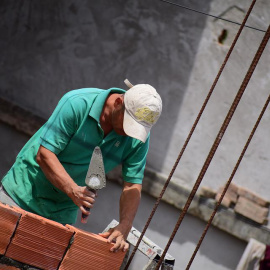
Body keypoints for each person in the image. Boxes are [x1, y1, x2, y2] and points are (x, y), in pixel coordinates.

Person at [0, 79, 162, 252]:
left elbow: (132, 184)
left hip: (61, 213)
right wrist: (73, 190)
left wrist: (125, 225)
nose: (129, 132)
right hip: (22, 194)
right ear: (118, 102)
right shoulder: (77, 103)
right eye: (128, 123)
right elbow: (45, 155)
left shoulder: (137, 137)